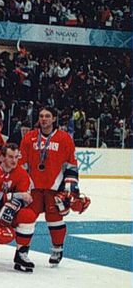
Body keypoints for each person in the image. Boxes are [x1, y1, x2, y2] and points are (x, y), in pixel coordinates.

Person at [20, 106, 88, 266]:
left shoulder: (64, 138)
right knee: (26, 217)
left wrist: (70, 190)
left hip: (54, 188)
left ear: (54, 119)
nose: (44, 119)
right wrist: (21, 186)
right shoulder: (29, 137)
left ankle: (57, 249)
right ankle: (22, 251)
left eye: (47, 116)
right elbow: (21, 163)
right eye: (41, 116)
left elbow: (71, 165)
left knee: (54, 218)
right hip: (33, 188)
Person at [0, 143, 38, 272]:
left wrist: (10, 206)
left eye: (16, 157)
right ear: (2, 157)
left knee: (28, 215)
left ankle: (21, 254)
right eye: (10, 157)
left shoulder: (21, 173)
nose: (14, 160)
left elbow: (26, 200)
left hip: (10, 214)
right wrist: (15, 195)